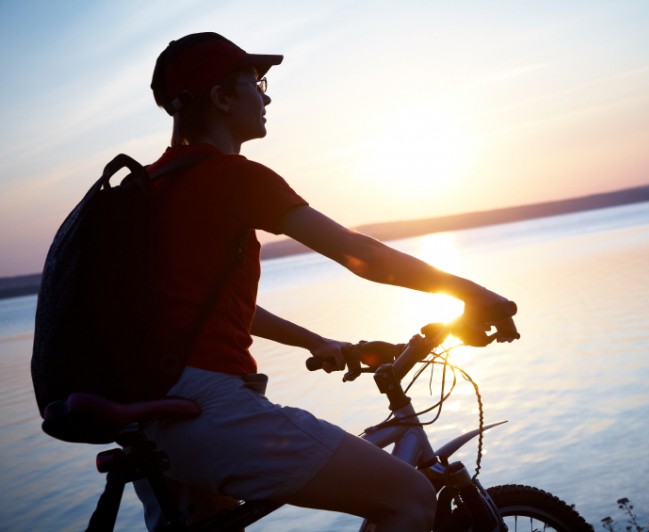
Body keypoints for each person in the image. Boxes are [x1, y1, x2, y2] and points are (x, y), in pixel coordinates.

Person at [136, 32, 520, 531]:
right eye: (255, 82)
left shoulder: (148, 188)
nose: (266, 95)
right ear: (222, 98)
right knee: (409, 496)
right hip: (213, 410)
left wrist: (316, 341)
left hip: (150, 417)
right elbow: (362, 256)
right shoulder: (232, 177)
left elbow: (204, 308)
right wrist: (477, 295)